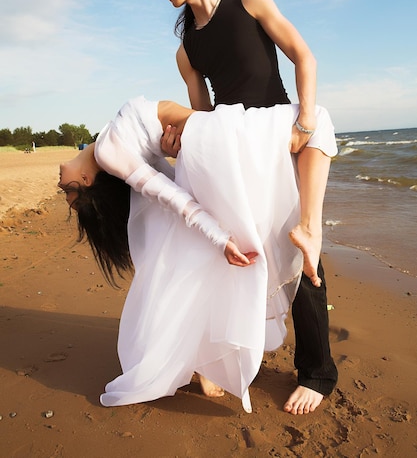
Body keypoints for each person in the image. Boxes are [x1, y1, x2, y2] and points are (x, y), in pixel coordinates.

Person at [59, 95, 337, 413]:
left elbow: (165, 165)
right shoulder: (109, 152)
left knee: (200, 269)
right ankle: (309, 226)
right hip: (210, 137)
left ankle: (207, 362)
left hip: (205, 138)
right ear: (85, 180)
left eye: (66, 193)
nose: (60, 184)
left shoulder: (110, 142)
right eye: (69, 191)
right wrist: (219, 237)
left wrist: (169, 146)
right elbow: (172, 196)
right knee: (317, 119)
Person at [153, 0, 338, 414]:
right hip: (235, 147)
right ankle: (220, 362)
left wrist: (306, 121)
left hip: (280, 134)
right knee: (235, 257)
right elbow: (203, 116)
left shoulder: (249, 0)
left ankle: (317, 373)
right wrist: (177, 146)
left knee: (301, 248)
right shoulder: (186, 51)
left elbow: (305, 57)